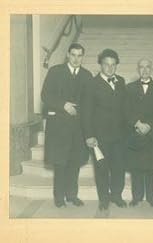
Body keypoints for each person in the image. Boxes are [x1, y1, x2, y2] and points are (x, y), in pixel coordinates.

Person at [41, 43, 92, 208]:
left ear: (83, 57)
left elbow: (89, 102)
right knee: (60, 163)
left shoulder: (87, 75)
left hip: (78, 128)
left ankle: (72, 196)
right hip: (59, 127)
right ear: (68, 55)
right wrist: (63, 105)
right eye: (73, 55)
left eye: (80, 55)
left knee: (74, 163)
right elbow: (45, 95)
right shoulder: (55, 71)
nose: (76, 59)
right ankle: (59, 197)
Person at [81, 49, 127, 211]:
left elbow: (124, 109)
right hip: (99, 137)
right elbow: (86, 112)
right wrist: (89, 135)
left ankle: (116, 195)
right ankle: (104, 199)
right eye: (106, 64)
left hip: (119, 136)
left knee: (119, 168)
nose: (110, 68)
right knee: (101, 169)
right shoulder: (91, 84)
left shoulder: (121, 81)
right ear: (100, 64)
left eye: (113, 65)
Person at [125, 58, 153, 208]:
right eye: (141, 67)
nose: (145, 70)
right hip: (135, 132)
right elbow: (126, 110)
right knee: (136, 168)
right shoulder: (129, 88)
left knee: (151, 168)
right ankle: (136, 197)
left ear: (152, 69)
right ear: (138, 69)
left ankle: (151, 197)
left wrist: (149, 125)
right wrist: (137, 123)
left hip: (152, 133)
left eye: (147, 67)